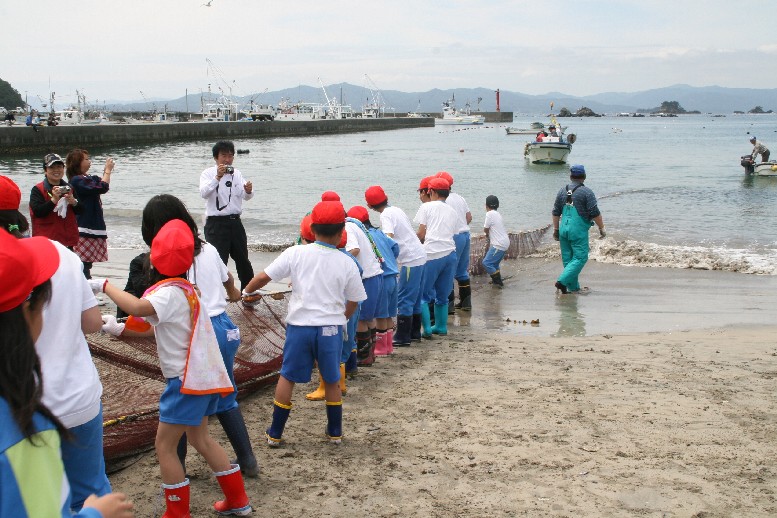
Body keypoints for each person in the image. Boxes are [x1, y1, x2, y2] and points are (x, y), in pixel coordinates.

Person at [90, 219, 251, 516]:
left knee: (164, 447)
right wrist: (118, 329)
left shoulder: (165, 293)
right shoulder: (188, 289)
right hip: (202, 379)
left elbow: (138, 309)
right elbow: (158, 328)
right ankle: (238, 500)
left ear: (152, 258)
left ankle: (177, 512)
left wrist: (104, 285)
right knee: (200, 438)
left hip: (183, 383)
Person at [0, 230, 135, 518]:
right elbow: (91, 323)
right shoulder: (59, 253)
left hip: (40, 405)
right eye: (38, 299)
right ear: (26, 314)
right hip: (76, 399)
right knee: (90, 490)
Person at [242, 201, 366, 447]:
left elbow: (264, 277)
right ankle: (335, 432)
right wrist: (342, 317)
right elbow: (355, 299)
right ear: (342, 231)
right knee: (331, 380)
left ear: (311, 228)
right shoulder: (346, 262)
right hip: (330, 329)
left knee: (287, 376)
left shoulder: (295, 253)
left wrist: (246, 292)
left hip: (300, 327)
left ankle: (275, 433)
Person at [364, 184, 427, 346]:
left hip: (410, 260)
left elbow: (388, 238)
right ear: (386, 198)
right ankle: (414, 333)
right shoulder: (396, 210)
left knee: (405, 298)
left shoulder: (385, 216)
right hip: (420, 255)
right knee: (416, 297)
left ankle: (403, 336)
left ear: (369, 206)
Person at [199, 140, 255, 290]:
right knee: (218, 261)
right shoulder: (208, 173)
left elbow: (246, 196)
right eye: (224, 155)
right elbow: (204, 193)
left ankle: (248, 292)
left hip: (235, 222)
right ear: (216, 157)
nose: (228, 159)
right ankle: (215, 295)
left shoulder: (236, 173)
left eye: (231, 156)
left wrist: (248, 190)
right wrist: (217, 177)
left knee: (243, 260)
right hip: (216, 224)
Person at [347, 205, 399, 357]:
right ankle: (386, 346)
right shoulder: (376, 233)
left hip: (377, 277)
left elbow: (355, 251)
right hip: (388, 275)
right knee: (386, 315)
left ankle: (372, 352)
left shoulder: (358, 232)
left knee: (370, 317)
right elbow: (395, 248)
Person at [414, 177, 458, 337]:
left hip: (432, 254)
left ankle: (426, 329)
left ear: (430, 191)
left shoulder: (426, 207)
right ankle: (441, 327)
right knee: (442, 296)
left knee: (423, 295)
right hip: (450, 255)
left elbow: (421, 234)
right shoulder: (452, 211)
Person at [551, 164, 605, 294]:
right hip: (577, 230)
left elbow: (555, 212)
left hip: (563, 228)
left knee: (568, 259)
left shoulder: (562, 191)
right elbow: (595, 213)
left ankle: (573, 288)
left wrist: (556, 230)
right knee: (580, 258)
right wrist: (602, 228)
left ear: (571, 176)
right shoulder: (587, 192)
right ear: (584, 177)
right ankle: (562, 281)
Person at [345, 203, 384, 367]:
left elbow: (354, 249)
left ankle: (364, 355)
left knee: (361, 319)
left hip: (367, 277)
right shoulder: (360, 226)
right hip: (375, 275)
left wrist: (339, 260)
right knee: (369, 319)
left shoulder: (348, 226)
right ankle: (370, 354)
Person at [66, 149, 115, 279]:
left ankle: (84, 285)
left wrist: (106, 173)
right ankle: (84, 286)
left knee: (86, 262)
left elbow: (101, 184)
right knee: (82, 263)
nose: (89, 161)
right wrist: (108, 170)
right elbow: (103, 187)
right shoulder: (77, 180)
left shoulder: (85, 178)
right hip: (84, 226)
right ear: (77, 163)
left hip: (90, 224)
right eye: (86, 159)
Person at [435, 171, 472, 312]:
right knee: (462, 271)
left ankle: (449, 307)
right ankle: (466, 303)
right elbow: (469, 217)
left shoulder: (444, 201)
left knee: (447, 272)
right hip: (465, 235)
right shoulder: (460, 198)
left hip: (454, 237)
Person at [29, 153, 83, 248]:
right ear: (45, 171)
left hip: (67, 240)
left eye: (59, 167)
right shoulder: (38, 189)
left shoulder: (69, 188)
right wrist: (53, 200)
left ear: (63, 169)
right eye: (52, 168)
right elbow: (38, 212)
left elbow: (81, 210)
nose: (56, 170)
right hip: (46, 241)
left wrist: (74, 202)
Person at [482, 195, 509, 287]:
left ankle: (498, 282)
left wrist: (486, 234)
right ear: (497, 205)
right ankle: (496, 280)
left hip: (499, 244)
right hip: (504, 242)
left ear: (486, 205)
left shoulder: (489, 214)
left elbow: (485, 228)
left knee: (486, 263)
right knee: (495, 263)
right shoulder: (498, 214)